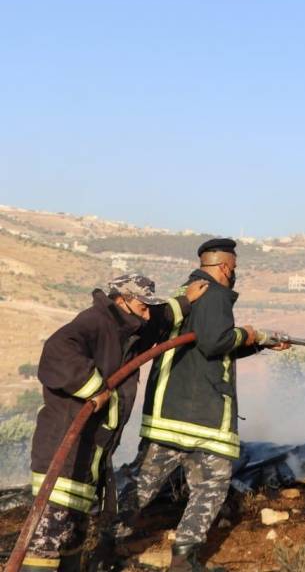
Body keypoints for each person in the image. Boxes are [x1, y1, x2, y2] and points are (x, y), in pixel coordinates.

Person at [121, 238, 288, 572]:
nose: (234, 274)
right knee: (211, 485)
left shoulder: (187, 294)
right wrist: (249, 334)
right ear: (225, 267)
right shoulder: (216, 295)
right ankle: (184, 559)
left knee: (142, 486)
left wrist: (259, 344)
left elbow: (205, 347)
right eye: (234, 268)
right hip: (202, 417)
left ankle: (104, 545)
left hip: (168, 416)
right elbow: (214, 343)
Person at [22, 274, 208, 572]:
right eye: (142, 307)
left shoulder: (126, 329)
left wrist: (186, 300)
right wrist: (92, 387)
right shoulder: (95, 322)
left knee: (72, 542)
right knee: (46, 544)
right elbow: (56, 352)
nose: (147, 315)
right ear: (122, 301)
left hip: (88, 457)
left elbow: (157, 322)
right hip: (64, 454)